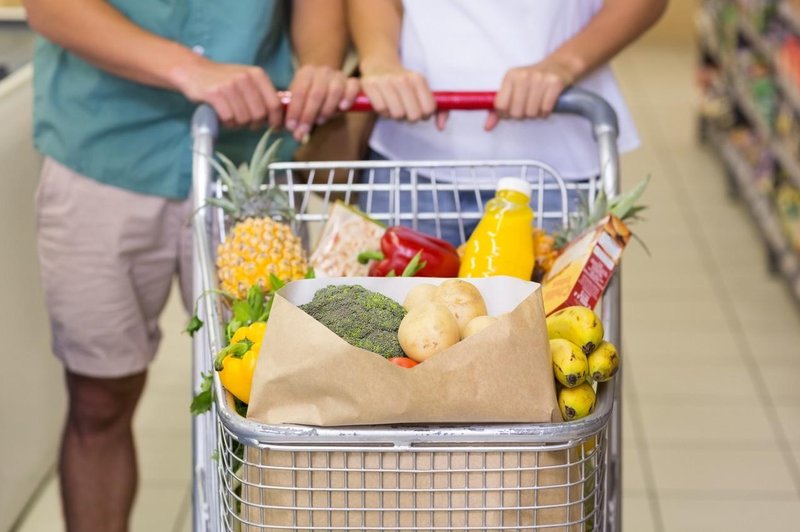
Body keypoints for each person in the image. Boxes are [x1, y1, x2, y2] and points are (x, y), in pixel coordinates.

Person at [24, 0, 356, 530]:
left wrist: (318, 66)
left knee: (278, 400)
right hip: (103, 151)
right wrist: (188, 67)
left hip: (252, 162)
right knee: (99, 398)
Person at [348, 0, 667, 243]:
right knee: (388, 322)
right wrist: (379, 58)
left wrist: (564, 63)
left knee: (549, 326)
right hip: (406, 156)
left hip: (555, 164)